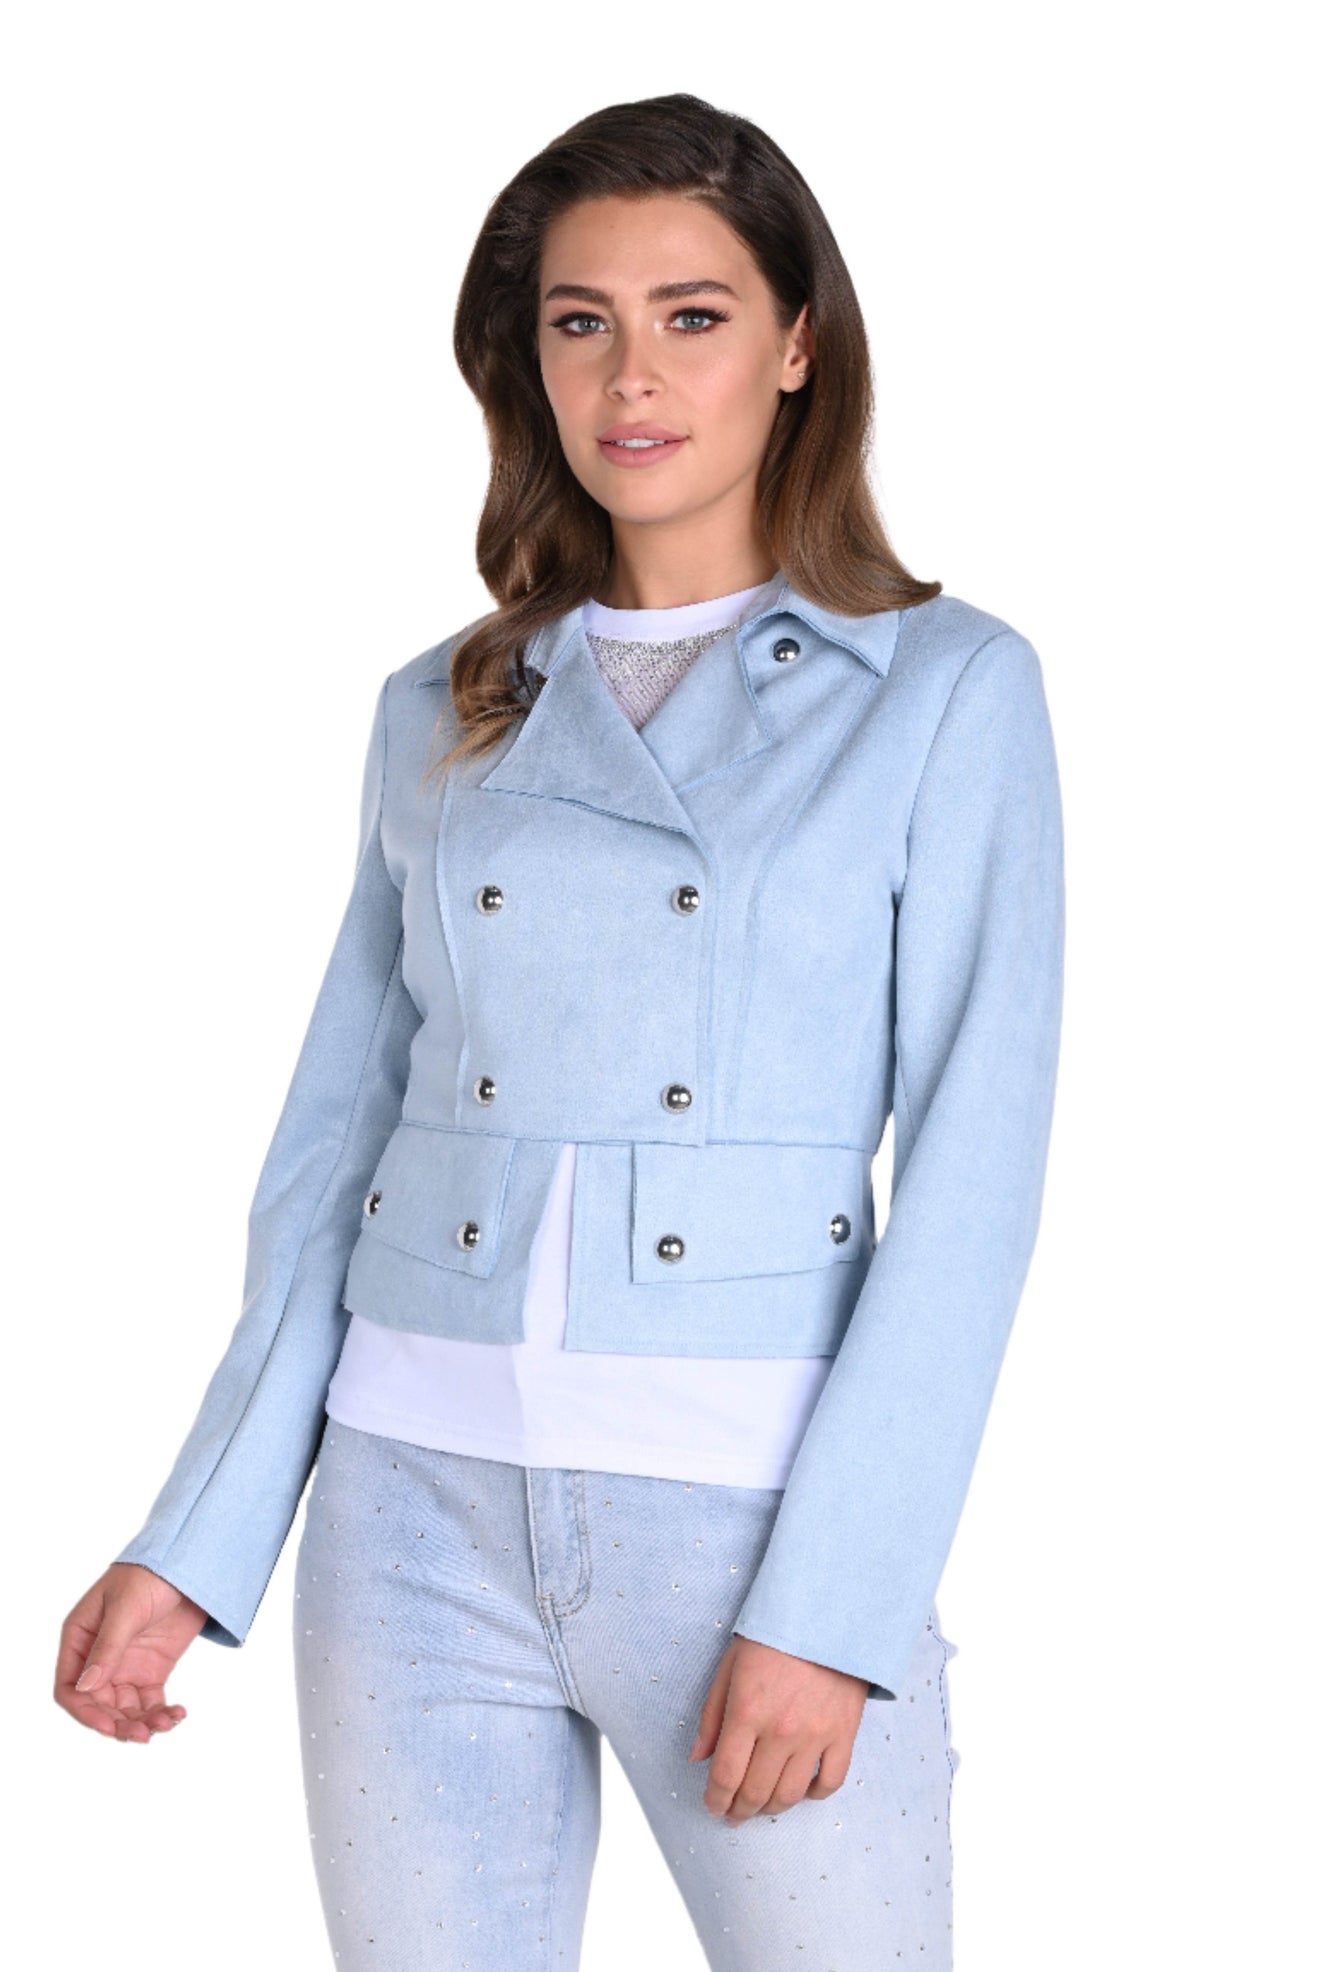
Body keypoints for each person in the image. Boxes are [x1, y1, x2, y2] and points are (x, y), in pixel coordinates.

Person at [55, 91, 1064, 1970]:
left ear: (797, 343)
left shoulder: (941, 690)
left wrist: (837, 1604)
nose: (632, 375)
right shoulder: (446, 703)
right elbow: (335, 1151)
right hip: (405, 1511)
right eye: (579, 320)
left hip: (746, 1517)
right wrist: (198, 1535)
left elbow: (976, 1181)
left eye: (694, 314)